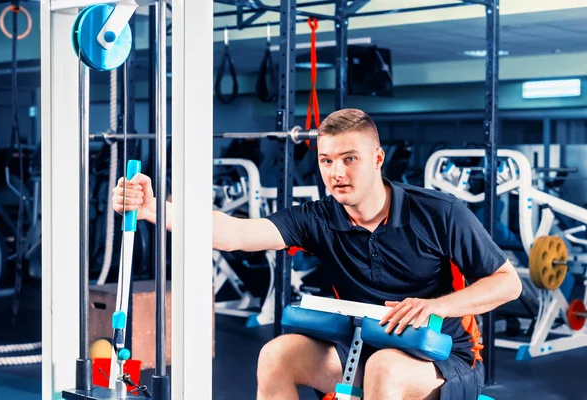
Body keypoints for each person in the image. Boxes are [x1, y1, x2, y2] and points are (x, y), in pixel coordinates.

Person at [113, 108, 522, 400]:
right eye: (327, 161)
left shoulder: (440, 213)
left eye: (349, 159)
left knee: (386, 370)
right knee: (277, 355)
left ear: (377, 159)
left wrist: (434, 306)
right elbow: (237, 233)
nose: (336, 173)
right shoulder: (319, 218)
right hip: (361, 346)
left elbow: (508, 283)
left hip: (444, 357)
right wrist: (154, 211)